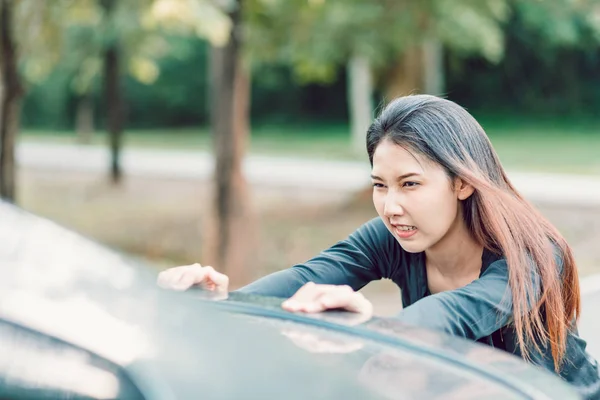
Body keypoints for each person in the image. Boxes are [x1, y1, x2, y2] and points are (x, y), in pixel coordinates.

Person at [157, 95, 600, 398]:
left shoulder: (534, 254)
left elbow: (452, 315)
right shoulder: (391, 239)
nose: (391, 207)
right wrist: (214, 301)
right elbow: (301, 281)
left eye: (410, 184)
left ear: (463, 182)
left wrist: (371, 329)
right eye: (380, 186)